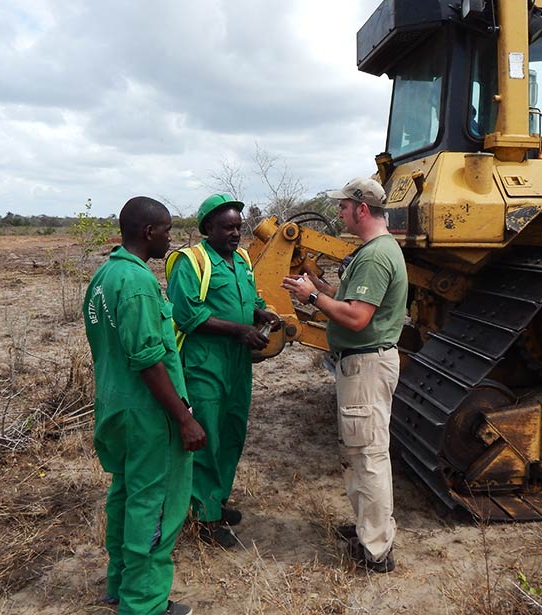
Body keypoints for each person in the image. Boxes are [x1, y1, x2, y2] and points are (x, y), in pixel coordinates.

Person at [83, 196, 205, 615]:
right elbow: (148, 360)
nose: (170, 238)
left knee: (127, 494)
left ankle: (120, 582)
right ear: (149, 232)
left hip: (116, 406)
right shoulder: (135, 283)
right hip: (149, 414)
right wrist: (184, 418)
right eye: (168, 230)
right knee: (155, 506)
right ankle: (145, 604)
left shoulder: (105, 275)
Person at [282, 177, 408, 573]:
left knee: (368, 455)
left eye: (342, 207)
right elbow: (351, 299)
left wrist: (313, 298)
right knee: (358, 451)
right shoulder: (376, 251)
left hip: (366, 365)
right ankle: (368, 528)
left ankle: (376, 551)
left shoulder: (374, 256)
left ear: (362, 210)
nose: (338, 213)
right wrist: (316, 283)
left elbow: (356, 316)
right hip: (364, 364)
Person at [166, 193, 281, 548]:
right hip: (205, 363)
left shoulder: (243, 259)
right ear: (207, 229)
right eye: (227, 227)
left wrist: (260, 314)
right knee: (208, 437)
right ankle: (205, 518)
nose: (235, 233)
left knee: (232, 432)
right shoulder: (191, 262)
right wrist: (238, 330)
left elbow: (251, 298)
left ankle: (217, 499)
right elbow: (188, 315)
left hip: (237, 364)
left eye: (238, 226)